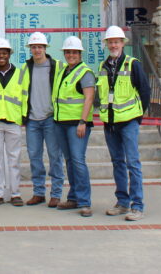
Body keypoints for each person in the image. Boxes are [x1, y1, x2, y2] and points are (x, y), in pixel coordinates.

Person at [98, 25, 152, 221]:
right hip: (110, 123)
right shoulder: (103, 67)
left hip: (128, 121)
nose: (113, 45)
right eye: (110, 42)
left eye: (116, 42)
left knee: (133, 164)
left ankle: (137, 205)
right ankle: (122, 202)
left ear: (122, 43)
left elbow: (145, 90)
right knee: (117, 163)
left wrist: (138, 116)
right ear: (107, 44)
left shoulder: (132, 64)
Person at [53, 36, 96, 217]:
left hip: (77, 124)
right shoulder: (63, 71)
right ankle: (73, 197)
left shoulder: (85, 73)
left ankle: (85, 202)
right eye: (68, 52)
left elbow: (89, 98)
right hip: (61, 122)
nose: (70, 55)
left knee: (78, 161)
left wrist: (83, 121)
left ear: (80, 54)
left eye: (74, 52)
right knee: (70, 161)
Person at [21, 31, 64, 207]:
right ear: (30, 49)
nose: (37, 50)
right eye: (34, 47)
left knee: (55, 157)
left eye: (39, 47)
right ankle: (39, 192)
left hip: (50, 119)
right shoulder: (25, 68)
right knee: (34, 157)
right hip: (32, 120)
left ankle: (56, 193)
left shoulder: (57, 67)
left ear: (45, 48)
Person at [0, 38, 26, 206]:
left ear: (9, 54)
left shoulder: (21, 74)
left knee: (14, 159)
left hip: (13, 120)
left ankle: (15, 193)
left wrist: (22, 117)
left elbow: (25, 97)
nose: (1, 55)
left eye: (4, 53)